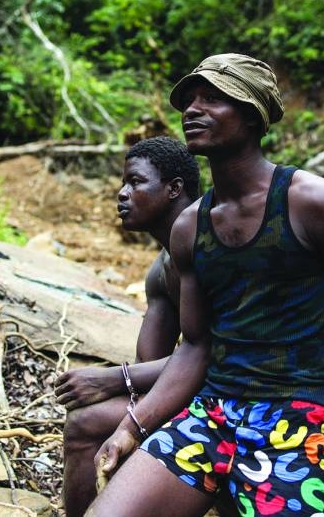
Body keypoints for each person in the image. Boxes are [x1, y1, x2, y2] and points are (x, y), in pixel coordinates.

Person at [88, 54, 324, 517]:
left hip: (299, 416)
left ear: (253, 114)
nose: (193, 109)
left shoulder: (312, 202)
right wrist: (133, 426)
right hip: (212, 414)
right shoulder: (190, 228)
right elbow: (195, 346)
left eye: (213, 98)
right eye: (190, 100)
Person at [54, 136, 200, 517]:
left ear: (174, 189)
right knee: (85, 421)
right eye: (124, 183)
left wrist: (111, 379)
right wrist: (121, 383)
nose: (122, 194)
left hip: (243, 390)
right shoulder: (161, 270)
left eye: (135, 183)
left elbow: (217, 352)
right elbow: (148, 364)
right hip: (187, 388)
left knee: (90, 417)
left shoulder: (211, 245)